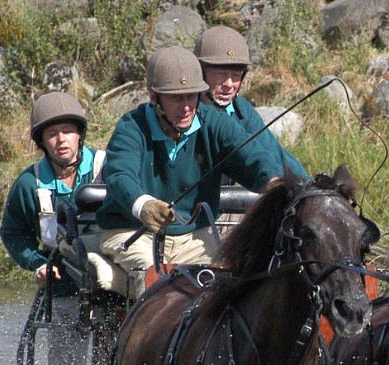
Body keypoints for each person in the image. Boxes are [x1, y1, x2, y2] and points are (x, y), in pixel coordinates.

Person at [94, 46, 294, 296]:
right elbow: (120, 175)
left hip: (194, 236)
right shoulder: (131, 128)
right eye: (177, 98)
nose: (187, 107)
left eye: (192, 96)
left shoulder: (215, 123)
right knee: (157, 285)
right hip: (131, 231)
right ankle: (127, 291)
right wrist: (143, 205)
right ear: (154, 98)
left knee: (227, 284)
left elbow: (253, 157)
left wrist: (275, 184)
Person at [0, 91, 105, 295]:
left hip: (109, 273)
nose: (61, 140)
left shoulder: (108, 167)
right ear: (42, 142)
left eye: (68, 131)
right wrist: (39, 265)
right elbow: (13, 233)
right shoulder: (28, 184)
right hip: (60, 282)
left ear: (79, 134)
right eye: (52, 134)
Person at [193, 25, 307, 179]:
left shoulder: (241, 111)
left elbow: (275, 155)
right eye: (220, 74)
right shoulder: (182, 112)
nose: (229, 84)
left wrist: (310, 187)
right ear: (200, 73)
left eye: (236, 75)